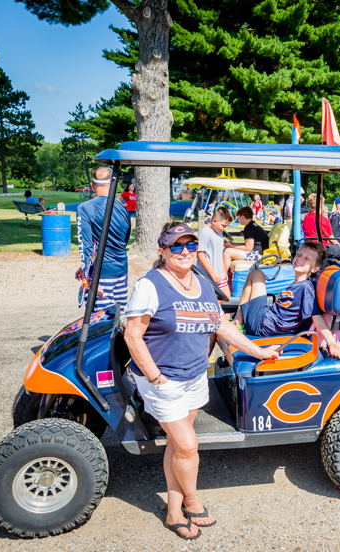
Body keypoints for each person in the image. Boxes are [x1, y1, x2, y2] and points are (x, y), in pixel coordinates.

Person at [124, 222, 280, 540]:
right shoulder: (151, 285)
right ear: (162, 251)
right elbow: (133, 335)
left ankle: (172, 511)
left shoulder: (202, 283)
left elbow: (220, 326)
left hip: (195, 376)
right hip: (162, 381)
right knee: (188, 445)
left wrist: (258, 351)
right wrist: (156, 378)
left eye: (190, 245)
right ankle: (192, 499)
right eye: (176, 246)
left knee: (177, 447)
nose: (184, 252)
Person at [232, 241, 340, 359]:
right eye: (298, 255)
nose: (300, 259)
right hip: (267, 319)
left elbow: (316, 317)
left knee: (256, 274)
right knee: (255, 274)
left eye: (307, 258)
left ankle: (237, 322)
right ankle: (238, 322)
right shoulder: (297, 284)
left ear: (315, 268)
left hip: (263, 326)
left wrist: (332, 343)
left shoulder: (306, 287)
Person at [75, 167, 132, 309]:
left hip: (101, 274)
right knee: (119, 316)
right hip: (121, 269)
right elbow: (125, 240)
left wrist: (90, 275)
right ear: (114, 184)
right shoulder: (123, 209)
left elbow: (86, 245)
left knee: (100, 322)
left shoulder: (84, 208)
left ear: (92, 185)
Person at [303, 193, 340, 265]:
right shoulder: (323, 220)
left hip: (309, 246)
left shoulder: (306, 217)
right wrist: (339, 246)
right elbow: (332, 239)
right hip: (321, 247)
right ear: (320, 205)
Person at [197, 206, 232, 298]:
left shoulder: (219, 233)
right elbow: (200, 255)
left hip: (219, 274)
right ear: (214, 221)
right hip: (206, 275)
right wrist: (212, 272)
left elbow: (219, 253)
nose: (224, 228)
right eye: (223, 225)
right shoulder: (205, 233)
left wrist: (224, 270)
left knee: (226, 297)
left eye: (226, 226)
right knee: (209, 298)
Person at [222, 206, 269, 275]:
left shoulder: (249, 228)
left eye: (238, 217)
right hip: (259, 253)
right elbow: (248, 244)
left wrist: (231, 246)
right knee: (228, 249)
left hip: (258, 255)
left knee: (227, 252)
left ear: (242, 217)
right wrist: (233, 244)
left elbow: (248, 248)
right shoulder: (253, 225)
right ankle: (228, 275)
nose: (238, 219)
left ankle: (223, 277)